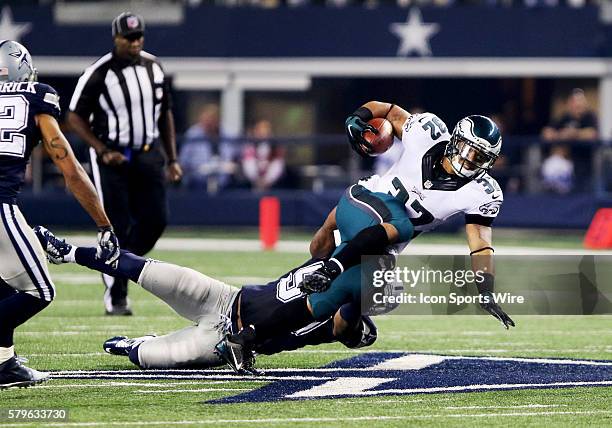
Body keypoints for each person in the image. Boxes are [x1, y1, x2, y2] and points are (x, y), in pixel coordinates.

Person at [215, 102, 516, 372]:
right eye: (469, 149)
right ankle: (330, 272)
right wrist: (358, 118)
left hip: (376, 239)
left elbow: (480, 243)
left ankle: (251, 338)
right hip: (363, 202)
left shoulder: (482, 191)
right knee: (399, 231)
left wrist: (485, 289)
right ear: (455, 140)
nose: (471, 160)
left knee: (346, 294)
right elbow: (385, 110)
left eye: (481, 157)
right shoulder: (428, 131)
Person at [34, 226, 377, 373]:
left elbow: (345, 317)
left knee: (147, 358)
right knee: (141, 268)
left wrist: (362, 302)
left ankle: (138, 343)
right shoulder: (335, 266)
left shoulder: (324, 326)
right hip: (225, 297)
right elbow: (326, 242)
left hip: (221, 340)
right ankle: (65, 252)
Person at [0, 41, 119, 389]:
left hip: (5, 209)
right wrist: (103, 223)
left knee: (4, 283)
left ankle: (4, 364)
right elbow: (70, 170)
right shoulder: (37, 97)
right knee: (40, 290)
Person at [67, 12, 182, 316]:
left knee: (156, 221)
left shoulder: (154, 66)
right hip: (113, 157)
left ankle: (115, 263)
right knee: (117, 225)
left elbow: (165, 112)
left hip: (148, 152)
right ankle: (117, 296)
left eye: (139, 36)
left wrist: (172, 158)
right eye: (129, 37)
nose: (135, 42)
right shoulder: (99, 72)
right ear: (116, 37)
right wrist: (101, 149)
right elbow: (74, 116)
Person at [178, 104, 237, 191]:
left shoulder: (228, 135)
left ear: (218, 121)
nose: (208, 124)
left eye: (211, 120)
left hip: (224, 182)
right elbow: (184, 161)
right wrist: (198, 168)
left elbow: (236, 158)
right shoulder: (193, 134)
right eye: (205, 121)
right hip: (197, 182)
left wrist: (231, 165)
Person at [241, 119, 286, 191]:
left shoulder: (275, 147)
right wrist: (256, 180)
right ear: (255, 131)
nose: (263, 132)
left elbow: (277, 165)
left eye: (266, 130)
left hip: (272, 185)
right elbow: (248, 164)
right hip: (252, 183)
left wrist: (267, 180)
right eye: (260, 130)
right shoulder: (250, 146)